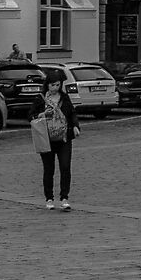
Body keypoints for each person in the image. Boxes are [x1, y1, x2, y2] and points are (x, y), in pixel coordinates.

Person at [31, 79, 79, 210]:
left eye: (58, 85)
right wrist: (43, 114)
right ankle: (49, 198)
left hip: (63, 138)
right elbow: (31, 115)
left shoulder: (64, 97)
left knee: (65, 167)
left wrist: (75, 126)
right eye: (53, 85)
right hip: (46, 138)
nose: (55, 87)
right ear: (47, 85)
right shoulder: (40, 99)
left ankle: (64, 197)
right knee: (49, 169)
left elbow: (72, 113)